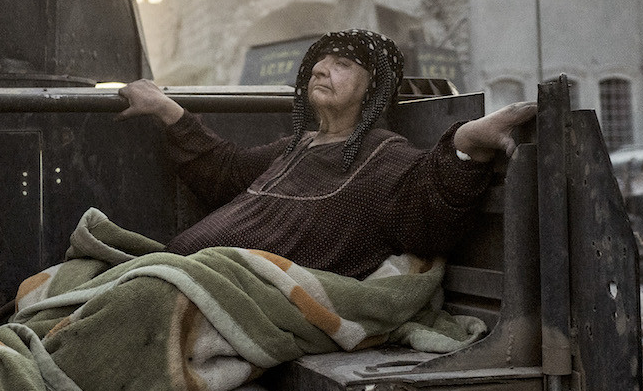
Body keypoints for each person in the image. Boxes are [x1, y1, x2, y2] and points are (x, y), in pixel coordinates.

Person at [117, 29, 535, 278]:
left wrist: (467, 141)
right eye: (318, 63)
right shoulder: (294, 148)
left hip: (211, 294)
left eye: (341, 64)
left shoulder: (386, 159)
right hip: (175, 273)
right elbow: (223, 171)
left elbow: (428, 210)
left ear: (374, 87)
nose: (319, 69)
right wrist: (164, 107)